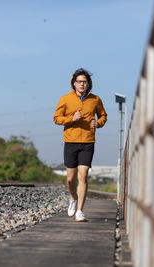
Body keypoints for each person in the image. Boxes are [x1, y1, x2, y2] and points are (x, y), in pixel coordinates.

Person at [53, 68, 107, 222]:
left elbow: (103, 115)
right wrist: (71, 118)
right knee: (70, 179)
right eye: (79, 81)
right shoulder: (65, 99)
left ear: (88, 83)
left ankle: (80, 211)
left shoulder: (95, 100)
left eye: (85, 81)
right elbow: (56, 118)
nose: (82, 84)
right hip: (70, 141)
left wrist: (99, 123)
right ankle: (73, 198)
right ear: (74, 83)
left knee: (83, 176)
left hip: (88, 142)